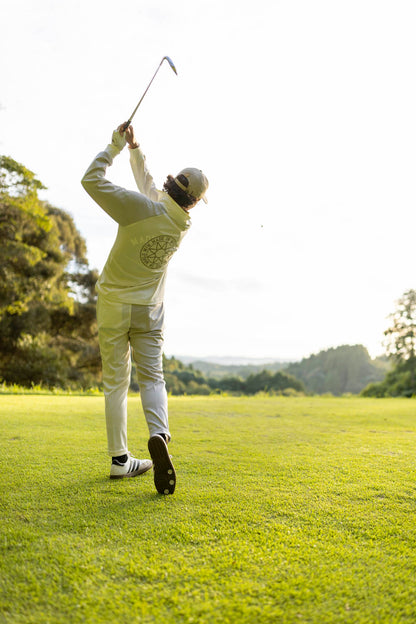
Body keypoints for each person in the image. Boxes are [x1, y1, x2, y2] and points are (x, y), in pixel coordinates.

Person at [81, 124, 208, 495]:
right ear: (194, 202)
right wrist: (137, 151)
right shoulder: (180, 221)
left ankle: (120, 460)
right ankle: (159, 434)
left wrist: (115, 146)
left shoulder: (142, 208)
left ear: (170, 185)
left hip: (114, 305)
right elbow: (152, 191)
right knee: (152, 377)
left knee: (116, 384)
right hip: (150, 310)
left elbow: (91, 180)